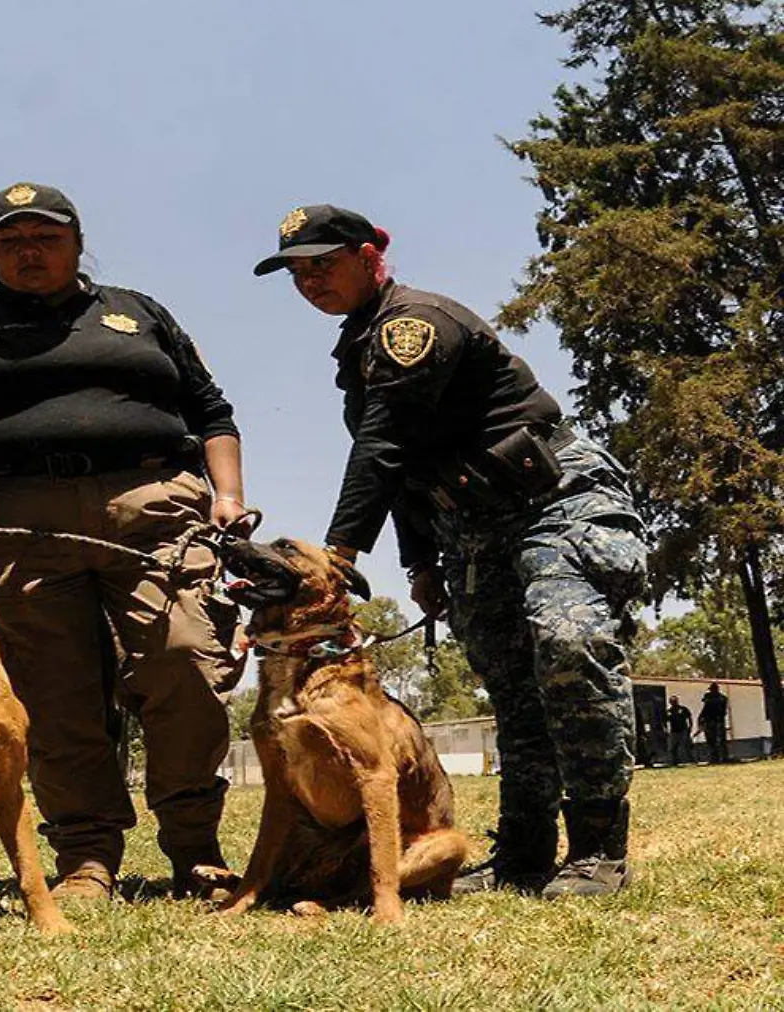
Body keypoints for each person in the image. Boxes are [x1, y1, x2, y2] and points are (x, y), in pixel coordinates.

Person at [254, 204, 648, 899]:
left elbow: (381, 446)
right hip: (467, 523)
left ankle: (597, 851)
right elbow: (405, 470)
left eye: (325, 264)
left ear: (372, 254)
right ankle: (524, 855)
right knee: (514, 687)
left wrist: (340, 554)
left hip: (554, 498)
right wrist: (421, 564)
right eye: (297, 273)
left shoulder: (414, 325)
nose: (311, 281)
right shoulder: (360, 350)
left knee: (567, 643)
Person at [0, 182, 248, 901]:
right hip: (21, 513)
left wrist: (228, 497)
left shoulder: (139, 312)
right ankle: (86, 856)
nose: (29, 252)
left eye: (46, 237)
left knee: (186, 658)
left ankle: (195, 847)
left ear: (77, 240)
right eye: (11, 241)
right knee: (53, 690)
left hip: (155, 506)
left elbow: (211, 408)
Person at [700, 683, 731, 763]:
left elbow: (722, 711)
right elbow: (705, 708)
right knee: (711, 741)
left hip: (717, 721)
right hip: (709, 720)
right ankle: (714, 758)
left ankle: (723, 757)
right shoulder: (709, 696)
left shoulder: (721, 698)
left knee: (719, 741)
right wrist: (701, 718)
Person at [666, 696, 695, 765]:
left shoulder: (683, 709)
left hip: (683, 730)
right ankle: (674, 761)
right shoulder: (669, 711)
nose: (674, 703)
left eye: (675, 701)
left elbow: (689, 718)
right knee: (673, 747)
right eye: (672, 701)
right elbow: (665, 721)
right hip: (674, 732)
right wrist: (666, 729)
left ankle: (691, 760)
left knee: (686, 746)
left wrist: (690, 727)